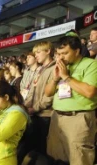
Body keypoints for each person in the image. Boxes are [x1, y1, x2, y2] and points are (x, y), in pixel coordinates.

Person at [45, 36, 97, 165]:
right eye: (59, 54)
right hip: (57, 117)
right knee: (56, 158)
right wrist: (56, 79)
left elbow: (89, 92)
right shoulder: (60, 66)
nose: (61, 57)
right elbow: (48, 93)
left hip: (78, 118)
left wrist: (66, 77)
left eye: (65, 53)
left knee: (79, 159)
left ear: (77, 51)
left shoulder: (91, 64)